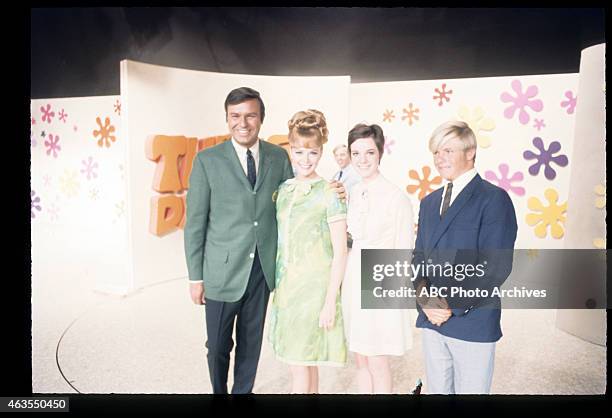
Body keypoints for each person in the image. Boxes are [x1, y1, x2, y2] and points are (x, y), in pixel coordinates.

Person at [184, 87, 345, 394]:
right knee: (217, 345)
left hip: (262, 270)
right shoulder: (207, 161)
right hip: (221, 271)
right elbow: (194, 224)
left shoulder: (277, 156)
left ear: (261, 119)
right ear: (227, 118)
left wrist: (335, 189)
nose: (242, 123)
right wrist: (196, 276)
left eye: (250, 116)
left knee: (250, 343)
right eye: (235, 116)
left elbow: (296, 194)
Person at [412, 120, 517, 394]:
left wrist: (448, 306)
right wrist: (425, 299)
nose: (439, 158)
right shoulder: (429, 202)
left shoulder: (494, 199)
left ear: (470, 152)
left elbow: (496, 266)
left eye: (447, 150)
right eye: (436, 152)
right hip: (432, 321)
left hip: (471, 320)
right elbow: (418, 257)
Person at [268, 109, 348, 394]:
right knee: (301, 363)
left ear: (321, 152)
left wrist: (329, 301)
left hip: (314, 291)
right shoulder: (284, 190)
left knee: (301, 368)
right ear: (290, 149)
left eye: (312, 153)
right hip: (287, 289)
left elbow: (341, 252)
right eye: (299, 152)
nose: (305, 160)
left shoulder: (329, 192)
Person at [341, 123, 414, 394]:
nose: (362, 160)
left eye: (369, 152)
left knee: (378, 362)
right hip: (353, 280)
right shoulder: (354, 192)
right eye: (356, 153)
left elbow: (404, 255)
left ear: (380, 153)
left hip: (379, 285)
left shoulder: (396, 197)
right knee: (360, 359)